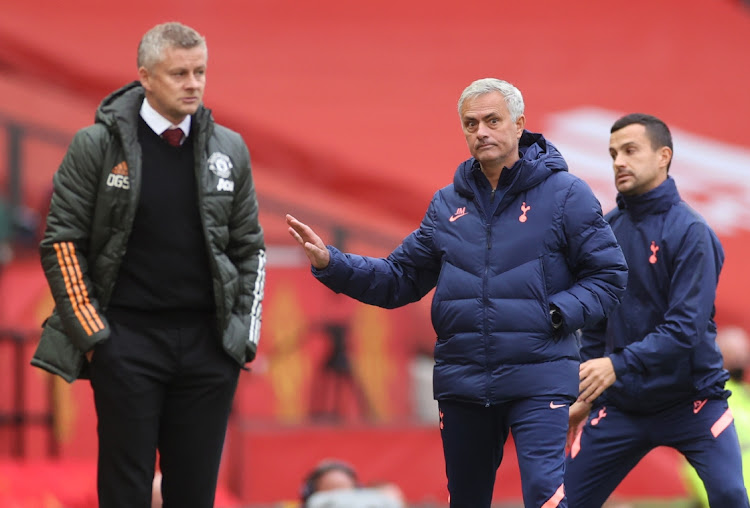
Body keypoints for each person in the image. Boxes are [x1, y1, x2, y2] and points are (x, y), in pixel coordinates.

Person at [286, 77, 627, 508]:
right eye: (470, 124)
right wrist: (331, 264)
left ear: (519, 124)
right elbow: (398, 279)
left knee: (545, 495)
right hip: (464, 380)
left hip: (539, 376)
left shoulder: (566, 194)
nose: (481, 131)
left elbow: (610, 275)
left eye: (491, 120)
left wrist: (555, 313)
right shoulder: (447, 204)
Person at [31, 22, 266, 508]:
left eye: (200, 71)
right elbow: (61, 243)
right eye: (179, 73)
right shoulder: (95, 146)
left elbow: (250, 249)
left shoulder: (231, 149)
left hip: (208, 347)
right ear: (145, 77)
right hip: (126, 341)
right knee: (125, 491)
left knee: (194, 494)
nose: (193, 83)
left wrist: (242, 338)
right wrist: (96, 338)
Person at [564, 113, 749, 507]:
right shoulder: (605, 232)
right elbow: (596, 324)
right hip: (623, 406)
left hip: (693, 403)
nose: (618, 161)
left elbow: (685, 330)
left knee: (733, 496)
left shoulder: (691, 232)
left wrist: (615, 365)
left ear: (664, 156)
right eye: (613, 153)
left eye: (630, 150)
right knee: (558, 501)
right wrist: (585, 395)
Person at [682, 325, 750, 507]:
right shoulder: (705, 396)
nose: (742, 358)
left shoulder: (744, 395)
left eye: (744, 351)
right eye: (735, 352)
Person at [299, 459, 405, 508]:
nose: (340, 496)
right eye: (332, 489)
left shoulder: (379, 501)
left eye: (344, 488)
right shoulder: (317, 502)